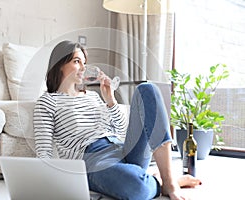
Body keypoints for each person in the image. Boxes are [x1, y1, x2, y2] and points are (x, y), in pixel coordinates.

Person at [33, 40, 202, 200]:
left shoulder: (92, 96)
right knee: (137, 187)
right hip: (92, 160)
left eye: (84, 62)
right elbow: (44, 152)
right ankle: (159, 182)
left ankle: (170, 181)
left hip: (121, 147)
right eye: (77, 61)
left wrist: (110, 101)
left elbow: (121, 130)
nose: (84, 68)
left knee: (147, 88)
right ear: (59, 64)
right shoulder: (47, 102)